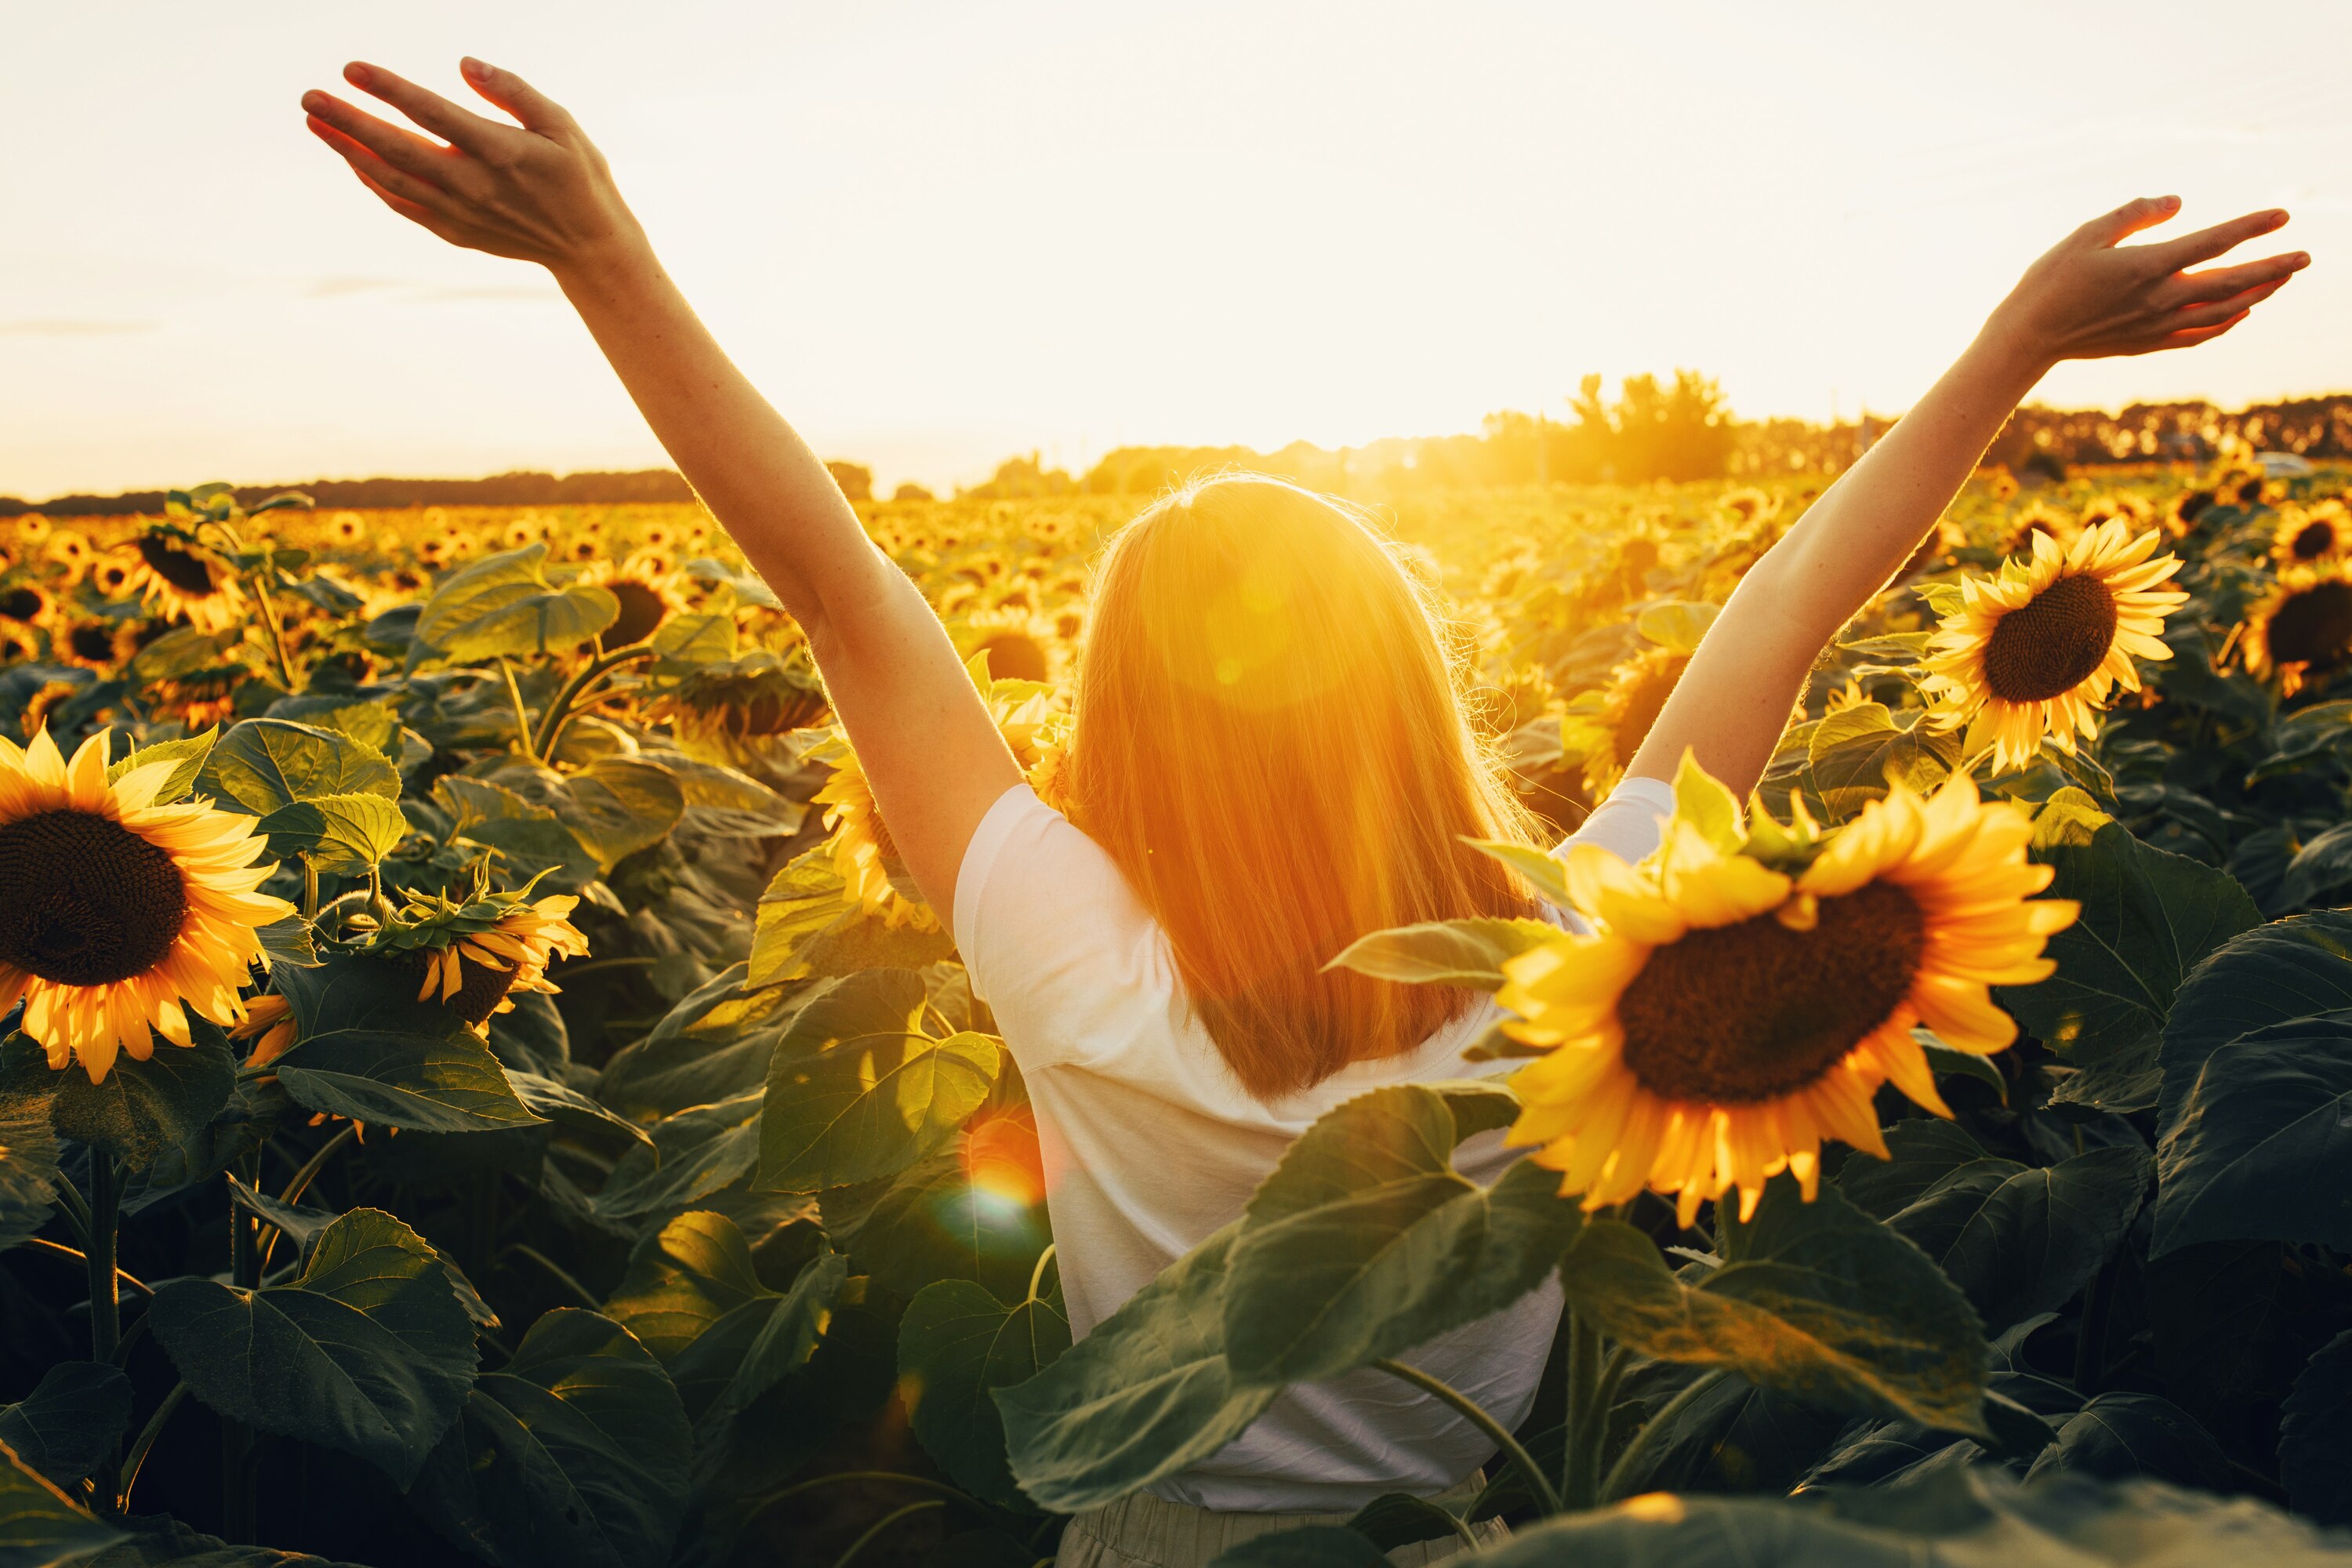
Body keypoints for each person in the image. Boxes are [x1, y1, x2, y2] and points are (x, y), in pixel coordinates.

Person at [299, 56, 2304, 1566]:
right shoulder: (1562, 954)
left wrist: (605, 260)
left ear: (1120, 722)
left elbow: (839, 586)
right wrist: (2015, 346)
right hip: (1485, 1525)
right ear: (1408, 689)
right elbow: (1788, 606)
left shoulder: (1064, 948)